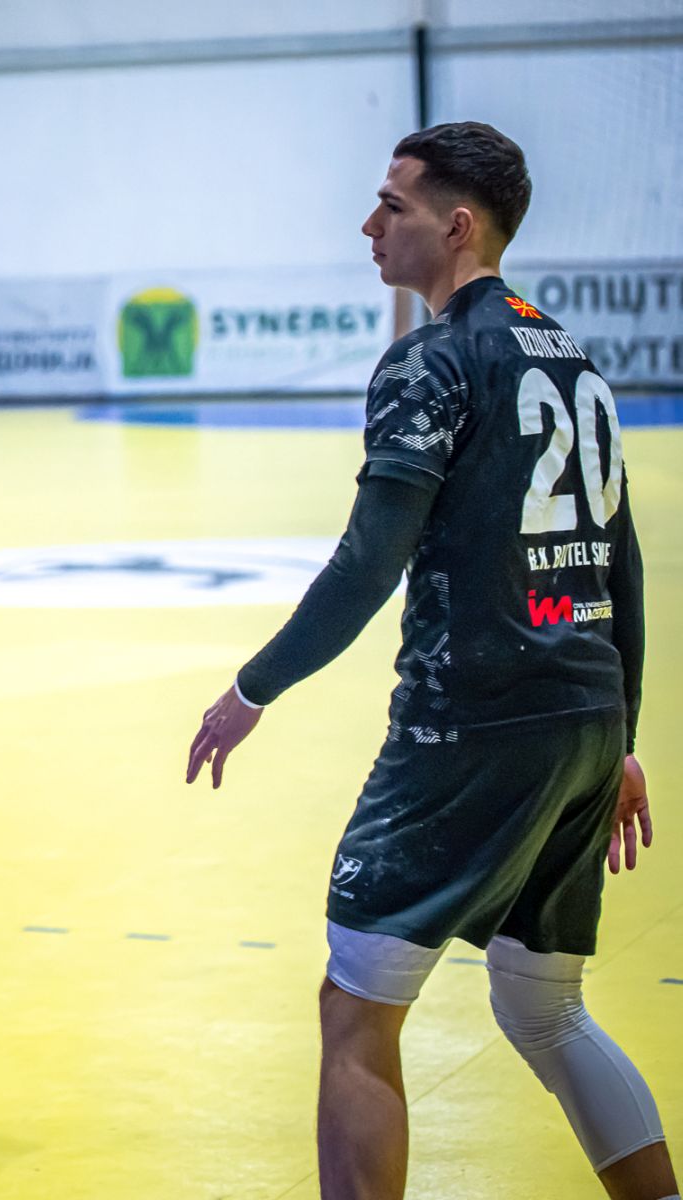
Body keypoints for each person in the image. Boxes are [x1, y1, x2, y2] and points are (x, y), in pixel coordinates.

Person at [185, 122, 672, 1200]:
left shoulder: (431, 360)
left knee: (356, 1010)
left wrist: (254, 687)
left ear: (456, 227)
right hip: (584, 726)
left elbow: (370, 562)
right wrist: (619, 739)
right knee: (546, 1009)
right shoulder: (572, 358)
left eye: (392, 205)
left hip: (471, 729)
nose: (370, 224)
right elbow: (620, 563)